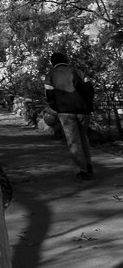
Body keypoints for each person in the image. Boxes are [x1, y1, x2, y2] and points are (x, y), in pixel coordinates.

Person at [44, 52, 96, 180]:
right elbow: (90, 89)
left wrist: (57, 107)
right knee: (84, 138)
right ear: (66, 60)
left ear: (53, 62)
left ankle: (81, 171)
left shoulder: (51, 75)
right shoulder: (77, 71)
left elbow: (49, 96)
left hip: (65, 112)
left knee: (73, 140)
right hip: (83, 111)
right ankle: (88, 165)